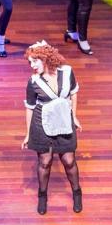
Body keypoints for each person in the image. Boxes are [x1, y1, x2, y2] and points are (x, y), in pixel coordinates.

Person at [23, 41, 83, 215]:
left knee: (69, 160)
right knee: (45, 161)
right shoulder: (33, 81)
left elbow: (73, 92)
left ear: (45, 58)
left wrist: (74, 116)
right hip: (42, 122)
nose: (32, 66)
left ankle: (77, 192)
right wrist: (28, 134)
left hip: (64, 120)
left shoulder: (67, 72)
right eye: (30, 62)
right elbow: (30, 107)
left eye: (35, 61)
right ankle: (42, 196)